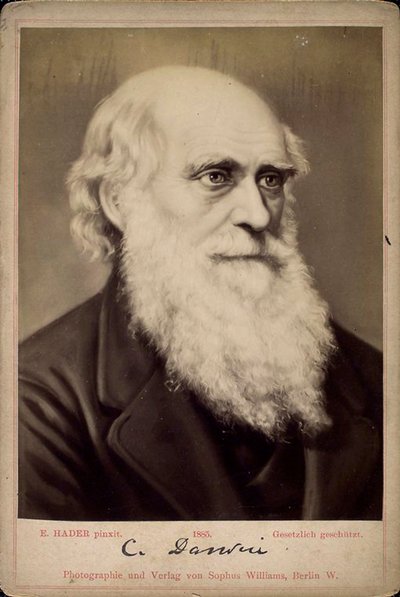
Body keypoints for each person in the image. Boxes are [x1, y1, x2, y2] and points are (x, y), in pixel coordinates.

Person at [19, 66, 382, 521]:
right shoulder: (35, 403)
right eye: (216, 176)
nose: (257, 215)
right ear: (119, 200)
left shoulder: (373, 380)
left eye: (270, 179)